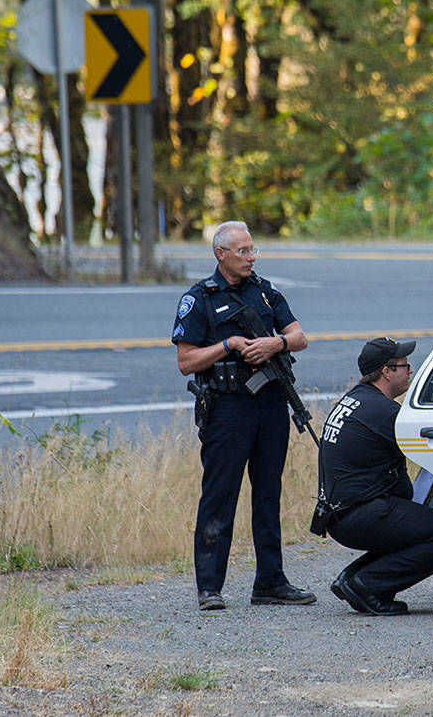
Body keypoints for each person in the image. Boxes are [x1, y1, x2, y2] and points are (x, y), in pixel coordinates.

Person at [172, 220, 316, 611]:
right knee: (220, 495)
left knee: (268, 492)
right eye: (243, 251)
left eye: (253, 250)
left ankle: (270, 582)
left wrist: (276, 342)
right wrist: (228, 344)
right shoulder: (200, 299)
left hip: (269, 403)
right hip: (228, 407)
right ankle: (210, 587)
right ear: (221, 254)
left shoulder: (265, 293)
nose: (252, 257)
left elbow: (300, 336)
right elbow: (186, 361)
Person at [318, 338, 433, 616]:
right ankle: (367, 584)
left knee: (417, 523)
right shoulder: (384, 412)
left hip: (341, 513)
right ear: (386, 371)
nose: (410, 371)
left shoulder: (355, 399)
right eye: (405, 366)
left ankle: (351, 578)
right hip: (361, 512)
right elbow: (432, 447)